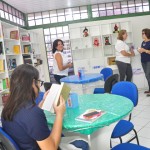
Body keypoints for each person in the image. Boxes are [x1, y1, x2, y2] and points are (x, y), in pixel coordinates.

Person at [1, 64, 89, 150]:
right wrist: (59, 114)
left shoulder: (8, 107)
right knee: (83, 143)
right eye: (39, 82)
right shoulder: (31, 113)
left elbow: (27, 123)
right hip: (44, 146)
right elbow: (51, 148)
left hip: (27, 145)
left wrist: (42, 103)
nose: (39, 86)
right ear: (32, 83)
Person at [138, 28, 150, 96]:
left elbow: (147, 51)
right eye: (142, 33)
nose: (142, 35)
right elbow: (143, 51)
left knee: (148, 75)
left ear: (147, 34)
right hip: (143, 61)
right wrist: (140, 50)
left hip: (149, 61)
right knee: (147, 75)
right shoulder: (143, 42)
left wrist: (144, 50)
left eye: (143, 33)